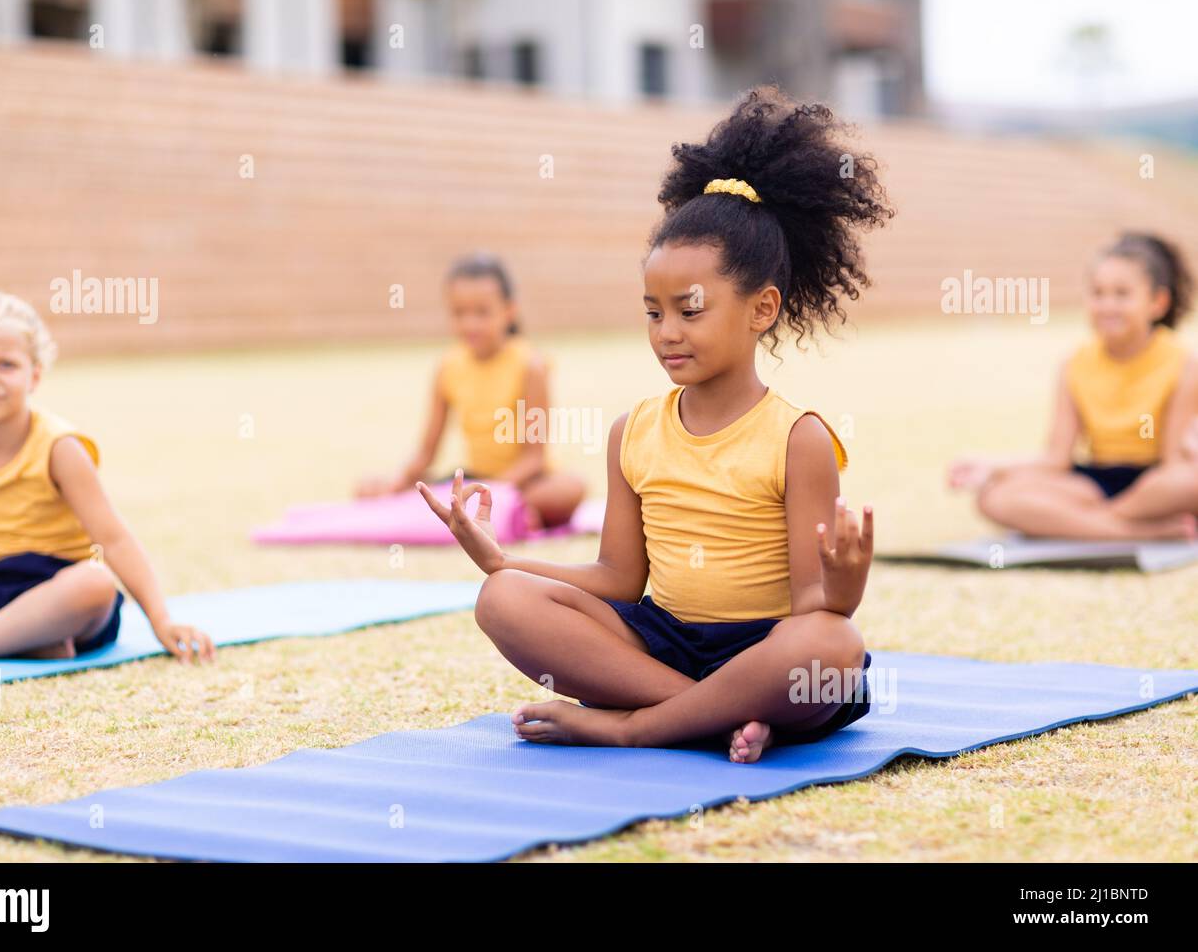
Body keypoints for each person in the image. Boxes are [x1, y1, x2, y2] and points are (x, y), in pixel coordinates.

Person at [417, 87, 892, 762]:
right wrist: (502, 559)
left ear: (762, 310)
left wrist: (843, 591)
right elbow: (618, 579)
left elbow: (818, 607)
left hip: (766, 652)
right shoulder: (632, 431)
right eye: (653, 311)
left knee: (831, 648)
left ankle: (637, 725)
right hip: (661, 644)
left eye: (690, 310)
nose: (667, 332)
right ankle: (714, 717)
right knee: (502, 600)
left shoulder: (800, 438)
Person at [0, 291, 216, 663]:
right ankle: (24, 643)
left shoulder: (60, 448)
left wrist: (161, 620)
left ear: (34, 375)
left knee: (94, 582)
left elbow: (113, 540)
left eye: (5, 365)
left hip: (62, 593)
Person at [950, 233, 1197, 540]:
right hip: (1095, 483)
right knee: (993, 497)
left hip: (1157, 482)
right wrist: (992, 466)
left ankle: (1094, 524)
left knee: (1190, 480)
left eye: (1122, 294)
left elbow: (1173, 462)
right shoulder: (1074, 364)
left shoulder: (1184, 362)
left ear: (1157, 303)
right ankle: (1130, 532)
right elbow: (1056, 458)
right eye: (1098, 293)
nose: (1107, 305)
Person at [356, 253, 586, 530]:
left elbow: (533, 458)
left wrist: (490, 492)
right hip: (473, 479)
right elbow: (426, 452)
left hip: (523, 483)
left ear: (509, 311)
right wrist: (397, 483)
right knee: (369, 488)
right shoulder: (447, 367)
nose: (470, 324)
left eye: (482, 313)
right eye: (459, 313)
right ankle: (500, 514)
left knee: (571, 489)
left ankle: (506, 510)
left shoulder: (530, 366)